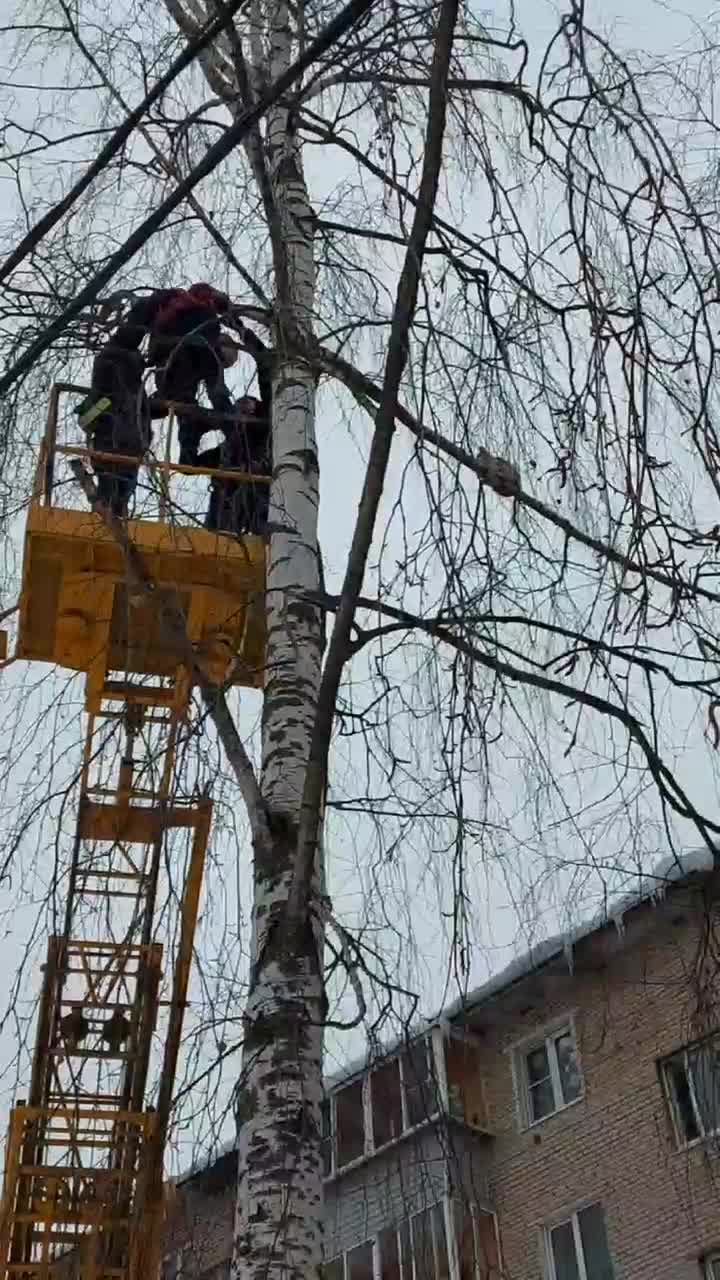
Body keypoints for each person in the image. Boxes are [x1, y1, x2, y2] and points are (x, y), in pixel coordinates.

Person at [124, 283, 235, 464]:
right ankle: (231, 432)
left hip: (166, 358)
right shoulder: (207, 316)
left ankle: (187, 454)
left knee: (182, 405)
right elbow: (213, 377)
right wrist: (227, 413)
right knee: (208, 396)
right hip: (194, 351)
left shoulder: (178, 307)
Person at [76, 322, 155, 517]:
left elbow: (86, 421)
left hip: (123, 451)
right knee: (114, 499)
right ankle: (112, 513)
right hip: (117, 451)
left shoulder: (134, 393)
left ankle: (113, 513)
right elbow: (87, 419)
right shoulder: (122, 391)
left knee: (117, 498)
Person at [199, 396, 270, 537]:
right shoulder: (234, 438)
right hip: (227, 489)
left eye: (245, 405)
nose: (241, 410)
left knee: (246, 502)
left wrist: (258, 467)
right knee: (221, 501)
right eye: (239, 407)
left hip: (254, 489)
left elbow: (270, 461)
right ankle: (215, 533)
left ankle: (257, 533)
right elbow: (217, 455)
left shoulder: (264, 435)